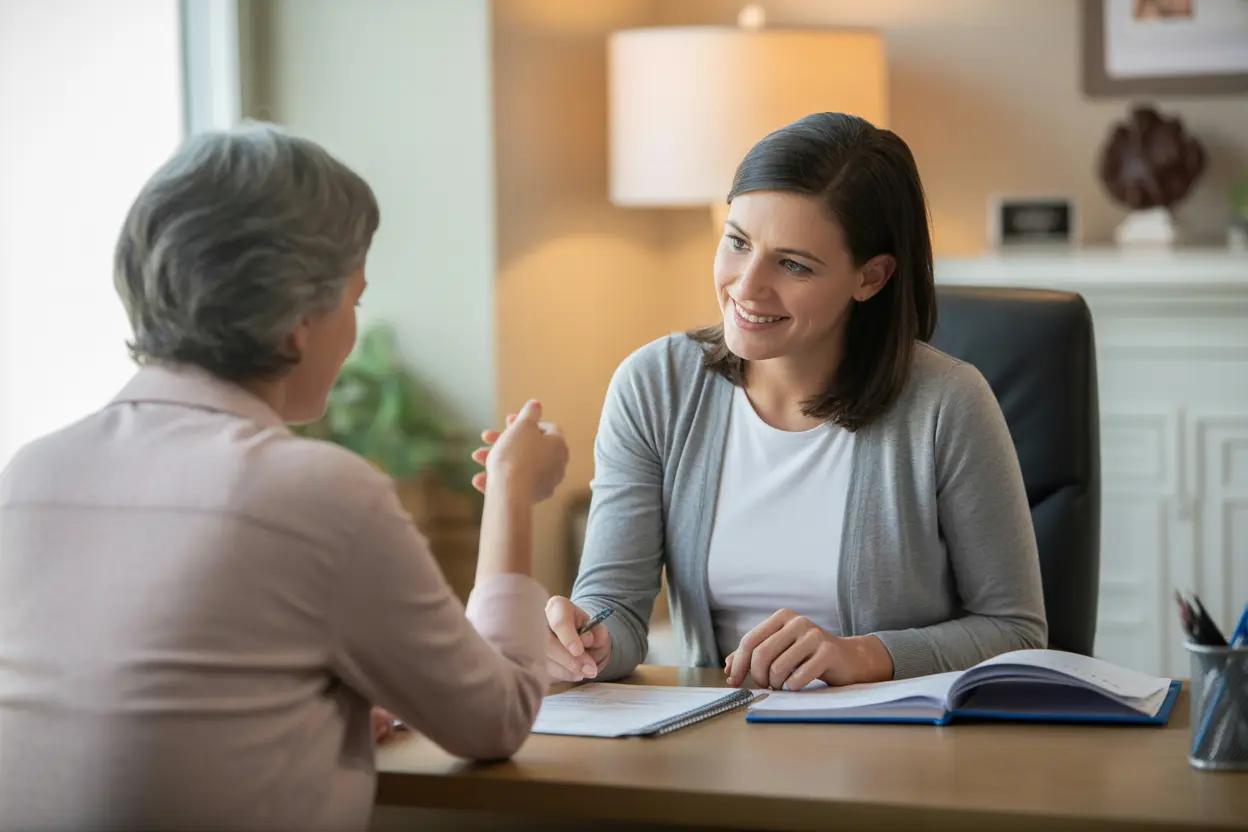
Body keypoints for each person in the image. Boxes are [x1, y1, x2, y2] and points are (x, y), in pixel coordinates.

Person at [0, 123, 567, 832]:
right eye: (354, 301)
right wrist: (511, 492)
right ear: (300, 320)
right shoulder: (314, 492)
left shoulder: (32, 475)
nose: (355, 324)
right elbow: (497, 718)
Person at [529, 112, 1047, 692]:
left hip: (896, 755)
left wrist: (864, 656)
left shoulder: (946, 405)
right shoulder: (654, 387)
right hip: (715, 744)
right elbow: (617, 611)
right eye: (737, 243)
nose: (747, 287)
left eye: (794, 264)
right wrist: (586, 635)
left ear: (871, 278)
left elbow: (1018, 633)